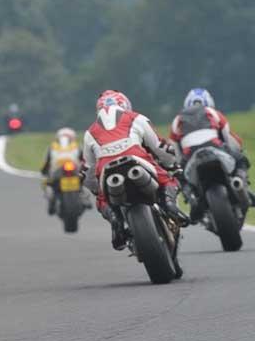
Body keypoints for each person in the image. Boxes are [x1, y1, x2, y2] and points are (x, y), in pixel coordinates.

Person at [82, 90, 188, 251]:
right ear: (126, 105)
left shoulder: (89, 132)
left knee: (102, 199)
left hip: (106, 168)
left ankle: (116, 222)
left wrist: (98, 191)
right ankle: (170, 206)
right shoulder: (136, 118)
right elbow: (159, 147)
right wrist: (173, 165)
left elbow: (88, 171)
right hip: (136, 158)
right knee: (168, 179)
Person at [169, 88, 255, 220]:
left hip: (191, 156)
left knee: (180, 176)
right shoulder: (213, 112)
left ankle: (191, 197)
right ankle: (239, 180)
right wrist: (235, 152)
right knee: (240, 158)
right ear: (209, 102)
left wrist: (180, 167)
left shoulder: (177, 120)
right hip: (215, 148)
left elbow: (175, 152)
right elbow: (230, 140)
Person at [41, 128, 83, 215]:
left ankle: (51, 202)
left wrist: (44, 171)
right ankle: (84, 197)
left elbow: (47, 162)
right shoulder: (77, 146)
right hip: (73, 170)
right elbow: (84, 160)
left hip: (57, 171)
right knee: (48, 184)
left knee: (48, 183)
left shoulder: (52, 146)